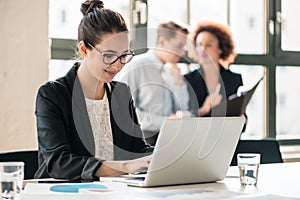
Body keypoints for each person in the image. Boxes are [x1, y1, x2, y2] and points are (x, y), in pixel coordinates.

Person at [34, 0, 153, 181]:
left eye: (124, 56)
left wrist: (163, 156)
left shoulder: (121, 93)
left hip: (113, 191)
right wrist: (127, 166)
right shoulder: (52, 95)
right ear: (84, 49)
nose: (117, 65)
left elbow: (136, 149)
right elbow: (58, 163)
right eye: (109, 56)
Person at [116, 21, 190, 145]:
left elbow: (183, 108)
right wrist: (165, 122)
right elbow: (124, 113)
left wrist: (179, 84)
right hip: (143, 139)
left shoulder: (172, 70)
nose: (182, 52)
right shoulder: (136, 67)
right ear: (161, 42)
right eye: (179, 46)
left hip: (171, 137)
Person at [184, 21, 243, 117]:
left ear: (220, 48)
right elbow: (182, 120)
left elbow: (241, 120)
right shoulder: (187, 80)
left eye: (208, 45)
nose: (202, 49)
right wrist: (204, 109)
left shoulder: (234, 79)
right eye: (199, 45)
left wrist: (242, 118)